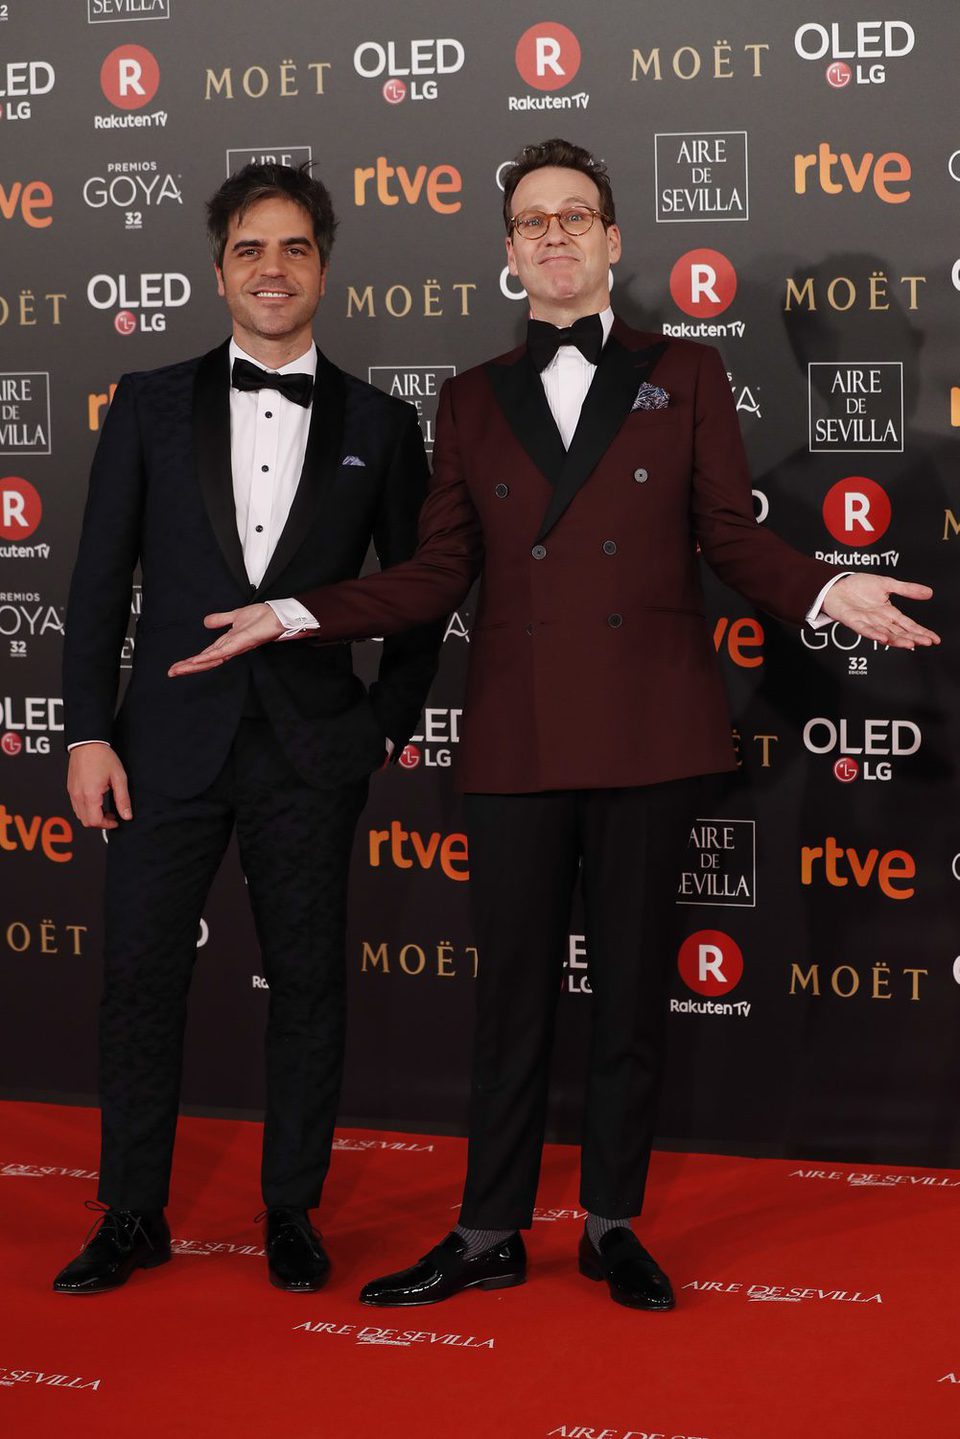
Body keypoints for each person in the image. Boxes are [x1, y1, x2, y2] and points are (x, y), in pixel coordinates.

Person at [170, 139, 939, 1311]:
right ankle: (487, 1228)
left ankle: (614, 1224)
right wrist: (294, 610)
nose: (555, 235)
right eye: (532, 221)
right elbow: (436, 575)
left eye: (575, 216)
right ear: (510, 252)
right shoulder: (470, 398)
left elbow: (731, 537)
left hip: (649, 732)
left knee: (632, 994)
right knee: (511, 995)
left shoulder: (686, 371)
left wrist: (832, 588)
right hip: (520, 739)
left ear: (613, 240)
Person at [55, 162, 441, 1296]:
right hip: (162, 745)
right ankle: (132, 1210)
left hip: (313, 751)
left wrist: (385, 722)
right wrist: (86, 730)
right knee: (136, 978)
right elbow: (96, 584)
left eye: (295, 249)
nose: (273, 269)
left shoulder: (379, 419)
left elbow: (421, 589)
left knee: (312, 982)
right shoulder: (145, 401)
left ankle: (291, 1207)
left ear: (325, 265)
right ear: (218, 269)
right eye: (249, 250)